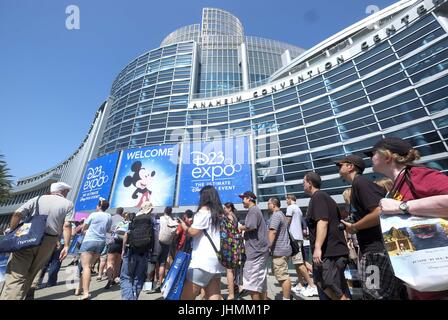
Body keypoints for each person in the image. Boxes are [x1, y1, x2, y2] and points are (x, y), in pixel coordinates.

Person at [366, 137, 448, 299]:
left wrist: (401, 207)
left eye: (373, 154)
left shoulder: (417, 175)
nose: (370, 158)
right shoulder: (396, 186)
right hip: (423, 283)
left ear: (387, 156)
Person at [336, 155, 405, 299]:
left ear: (351, 167)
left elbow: (379, 211)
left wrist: (354, 227)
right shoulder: (358, 185)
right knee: (376, 292)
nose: (338, 167)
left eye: (340, 164)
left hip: (375, 253)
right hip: (373, 251)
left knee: (375, 293)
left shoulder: (361, 183)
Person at [0, 182, 74, 300]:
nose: (67, 194)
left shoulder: (37, 198)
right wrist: (66, 245)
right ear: (63, 192)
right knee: (32, 273)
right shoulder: (68, 204)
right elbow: (66, 225)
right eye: (67, 191)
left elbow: (17, 214)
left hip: (27, 237)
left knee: (16, 275)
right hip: (49, 241)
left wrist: (12, 230)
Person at [303, 172, 350, 300]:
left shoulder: (319, 197)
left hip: (330, 253)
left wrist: (318, 247)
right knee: (322, 282)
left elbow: (323, 221)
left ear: (310, 183)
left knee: (331, 285)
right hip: (327, 253)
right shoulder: (319, 198)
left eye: (304, 182)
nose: (303, 185)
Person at [178, 186, 226, 300]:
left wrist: (184, 226)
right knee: (214, 295)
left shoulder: (203, 211)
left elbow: (193, 232)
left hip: (202, 261)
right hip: (217, 258)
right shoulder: (220, 213)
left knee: (185, 297)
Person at [76, 198, 112, 300]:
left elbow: (84, 228)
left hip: (89, 241)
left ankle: (86, 292)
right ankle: (79, 289)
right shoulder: (109, 216)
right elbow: (108, 229)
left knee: (85, 267)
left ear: (99, 206)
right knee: (88, 266)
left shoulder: (93, 215)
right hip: (101, 242)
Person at [120, 202, 155, 300]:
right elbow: (154, 237)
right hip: (144, 252)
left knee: (126, 277)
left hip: (131, 250)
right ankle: (134, 297)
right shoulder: (151, 220)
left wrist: (123, 250)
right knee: (138, 278)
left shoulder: (133, 218)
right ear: (150, 210)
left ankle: (128, 298)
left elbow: (126, 235)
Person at [238, 191, 269, 300]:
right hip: (260, 251)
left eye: (244, 198)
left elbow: (251, 226)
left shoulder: (253, 210)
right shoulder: (256, 210)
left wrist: (240, 227)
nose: (242, 200)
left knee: (251, 284)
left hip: (255, 252)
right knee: (260, 282)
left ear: (249, 199)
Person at [285, 194, 318, 297]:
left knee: (299, 263)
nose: (286, 201)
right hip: (299, 238)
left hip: (294, 239)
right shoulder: (298, 209)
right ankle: (300, 284)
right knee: (297, 263)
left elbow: (287, 223)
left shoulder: (290, 207)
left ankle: (312, 286)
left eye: (286, 199)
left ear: (290, 199)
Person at [267, 197, 292, 300]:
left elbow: (273, 232)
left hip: (279, 251)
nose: (267, 205)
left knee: (283, 277)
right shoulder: (281, 214)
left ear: (273, 204)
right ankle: (287, 296)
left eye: (268, 203)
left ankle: (286, 298)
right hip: (283, 250)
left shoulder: (276, 215)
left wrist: (268, 246)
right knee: (281, 275)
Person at [104, 207, 126, 289]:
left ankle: (109, 279)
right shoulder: (124, 220)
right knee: (117, 263)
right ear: (122, 212)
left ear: (116, 211)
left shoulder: (111, 218)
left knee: (110, 262)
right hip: (120, 243)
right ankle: (114, 279)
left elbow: (107, 229)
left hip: (112, 242)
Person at [223, 202, 239, 300]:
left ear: (229, 208)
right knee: (232, 269)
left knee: (229, 270)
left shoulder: (228, 216)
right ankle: (234, 289)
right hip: (235, 244)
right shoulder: (235, 216)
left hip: (229, 245)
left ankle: (231, 294)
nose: (224, 209)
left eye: (225, 208)